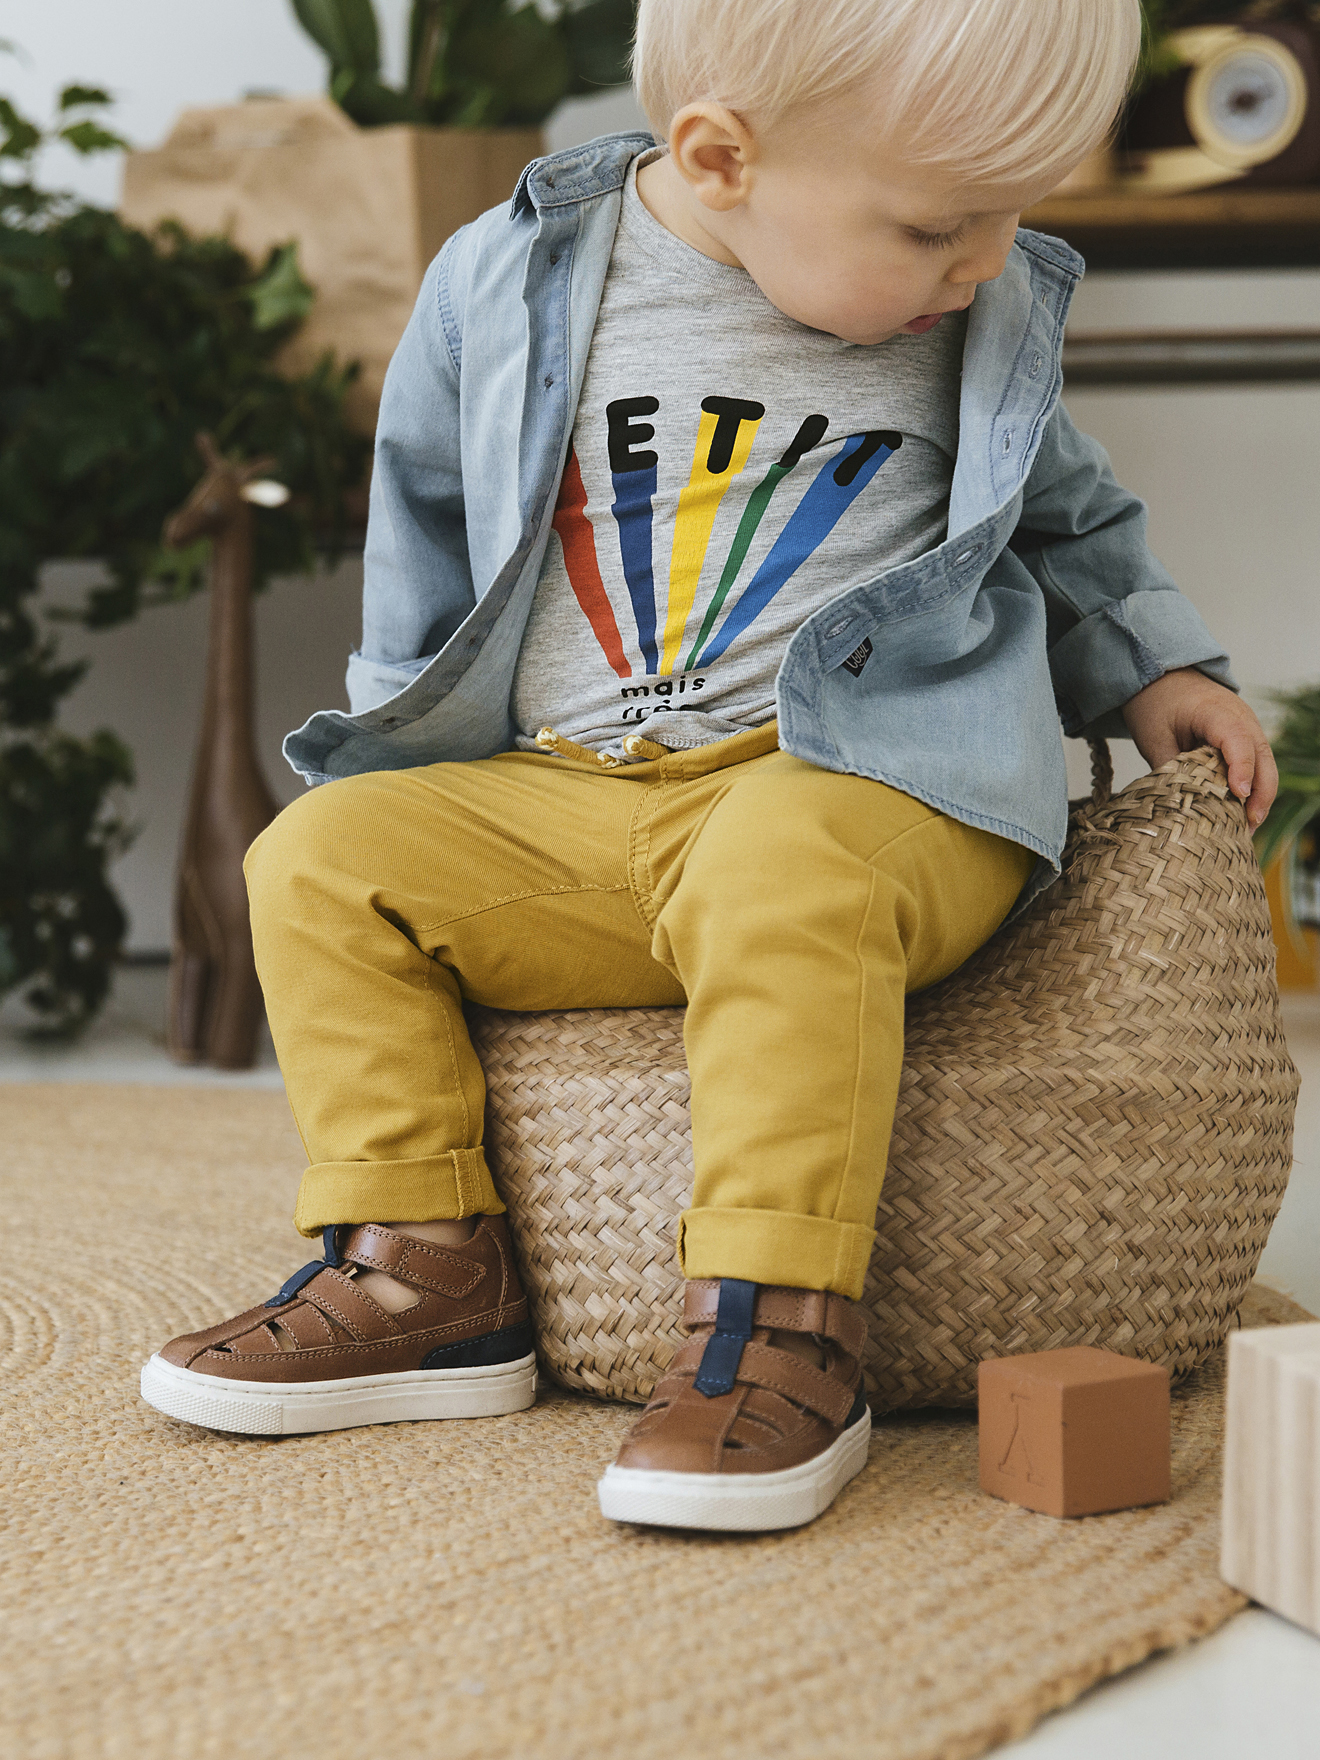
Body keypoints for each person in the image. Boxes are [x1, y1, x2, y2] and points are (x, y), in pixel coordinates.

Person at [140, 0, 1278, 1531]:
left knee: (779, 862)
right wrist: (400, 733)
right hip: (581, 793)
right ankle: (425, 1267)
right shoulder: (513, 277)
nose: (988, 261)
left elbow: (1066, 516)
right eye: (945, 222)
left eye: (1014, 215)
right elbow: (417, 514)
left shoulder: (968, 326)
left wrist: (1159, 667)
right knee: (321, 859)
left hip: (868, 786)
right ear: (720, 156)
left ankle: (779, 1323)